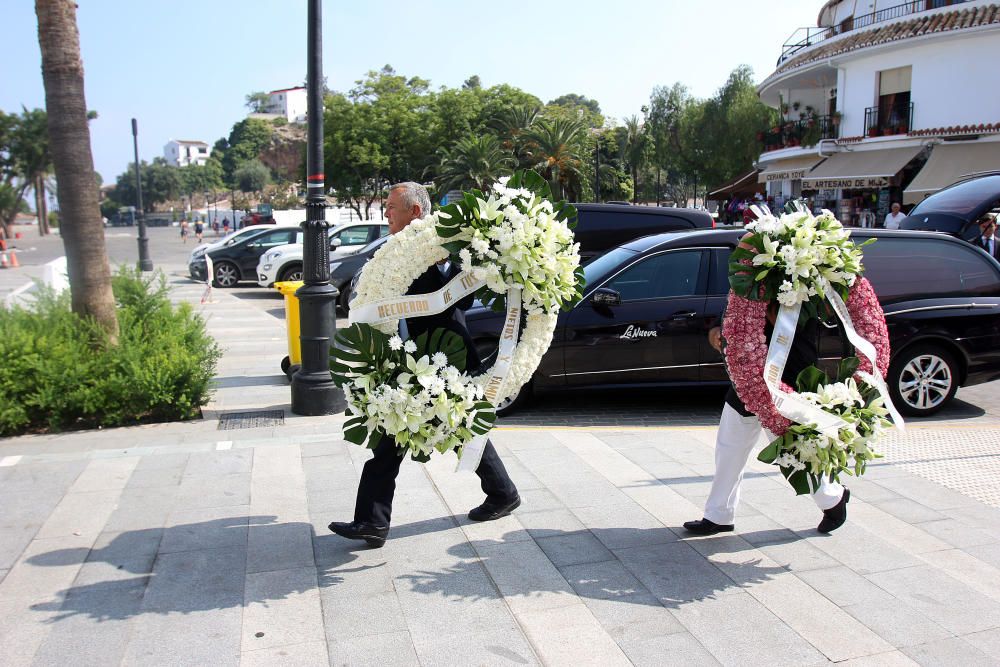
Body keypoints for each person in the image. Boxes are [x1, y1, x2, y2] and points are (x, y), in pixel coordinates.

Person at [328, 182, 521, 548]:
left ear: (415, 211)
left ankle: (372, 521)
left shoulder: (440, 247)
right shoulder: (401, 251)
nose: (385, 212)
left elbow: (455, 303)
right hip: (415, 353)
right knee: (457, 425)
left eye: (391, 206)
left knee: (401, 433)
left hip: (444, 354)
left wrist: (445, 267)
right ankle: (502, 492)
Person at [683, 237, 851, 537]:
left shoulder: (800, 285)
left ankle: (834, 499)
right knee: (729, 447)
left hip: (785, 383)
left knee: (796, 451)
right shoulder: (746, 285)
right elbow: (736, 326)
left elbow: (788, 331)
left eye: (748, 254)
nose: (741, 259)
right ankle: (718, 514)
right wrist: (719, 334)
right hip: (746, 383)